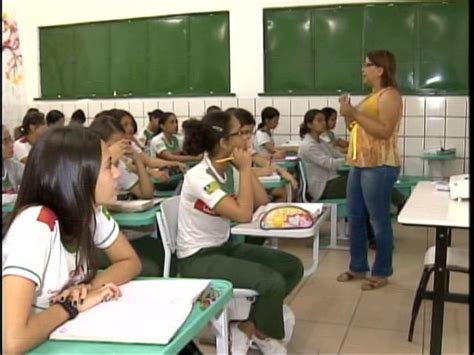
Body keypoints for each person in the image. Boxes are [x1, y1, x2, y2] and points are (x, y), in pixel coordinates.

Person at [2, 126, 141, 353]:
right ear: (77, 175)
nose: (117, 174)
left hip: (58, 334)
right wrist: (70, 306)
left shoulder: (91, 211)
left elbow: (130, 262)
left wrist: (87, 289)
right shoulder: (35, 225)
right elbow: (12, 342)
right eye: (108, 166)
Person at [177, 110, 304, 354]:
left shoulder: (230, 170)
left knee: (292, 267)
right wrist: (246, 170)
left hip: (224, 246)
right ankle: (257, 331)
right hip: (197, 258)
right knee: (272, 282)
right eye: (240, 134)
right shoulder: (199, 176)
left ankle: (249, 327)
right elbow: (243, 215)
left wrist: (244, 169)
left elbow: (260, 201)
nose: (247, 139)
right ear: (224, 142)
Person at [336, 50, 404, 290]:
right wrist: (347, 113)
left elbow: (385, 130)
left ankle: (381, 271)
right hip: (359, 164)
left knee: (378, 219)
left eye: (367, 65)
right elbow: (356, 127)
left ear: (380, 69)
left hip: (380, 165)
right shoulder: (371, 96)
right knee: (355, 218)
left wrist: (353, 112)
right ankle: (357, 266)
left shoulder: (390, 96)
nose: (363, 70)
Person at [89, 115, 154, 200]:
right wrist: (109, 159)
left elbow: (147, 193)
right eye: (117, 145)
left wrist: (137, 159)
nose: (121, 148)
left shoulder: (119, 166)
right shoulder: (88, 167)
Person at [298, 109, 346, 202]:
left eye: (324, 120)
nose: (323, 123)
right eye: (319, 120)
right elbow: (330, 163)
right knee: (360, 181)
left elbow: (337, 154)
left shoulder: (321, 142)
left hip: (331, 181)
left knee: (359, 178)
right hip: (322, 188)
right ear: (309, 124)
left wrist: (350, 158)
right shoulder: (308, 145)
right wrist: (350, 161)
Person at [2, 125, 24, 195]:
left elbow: (32, 178)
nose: (11, 145)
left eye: (10, 139)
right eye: (5, 141)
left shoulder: (12, 165)